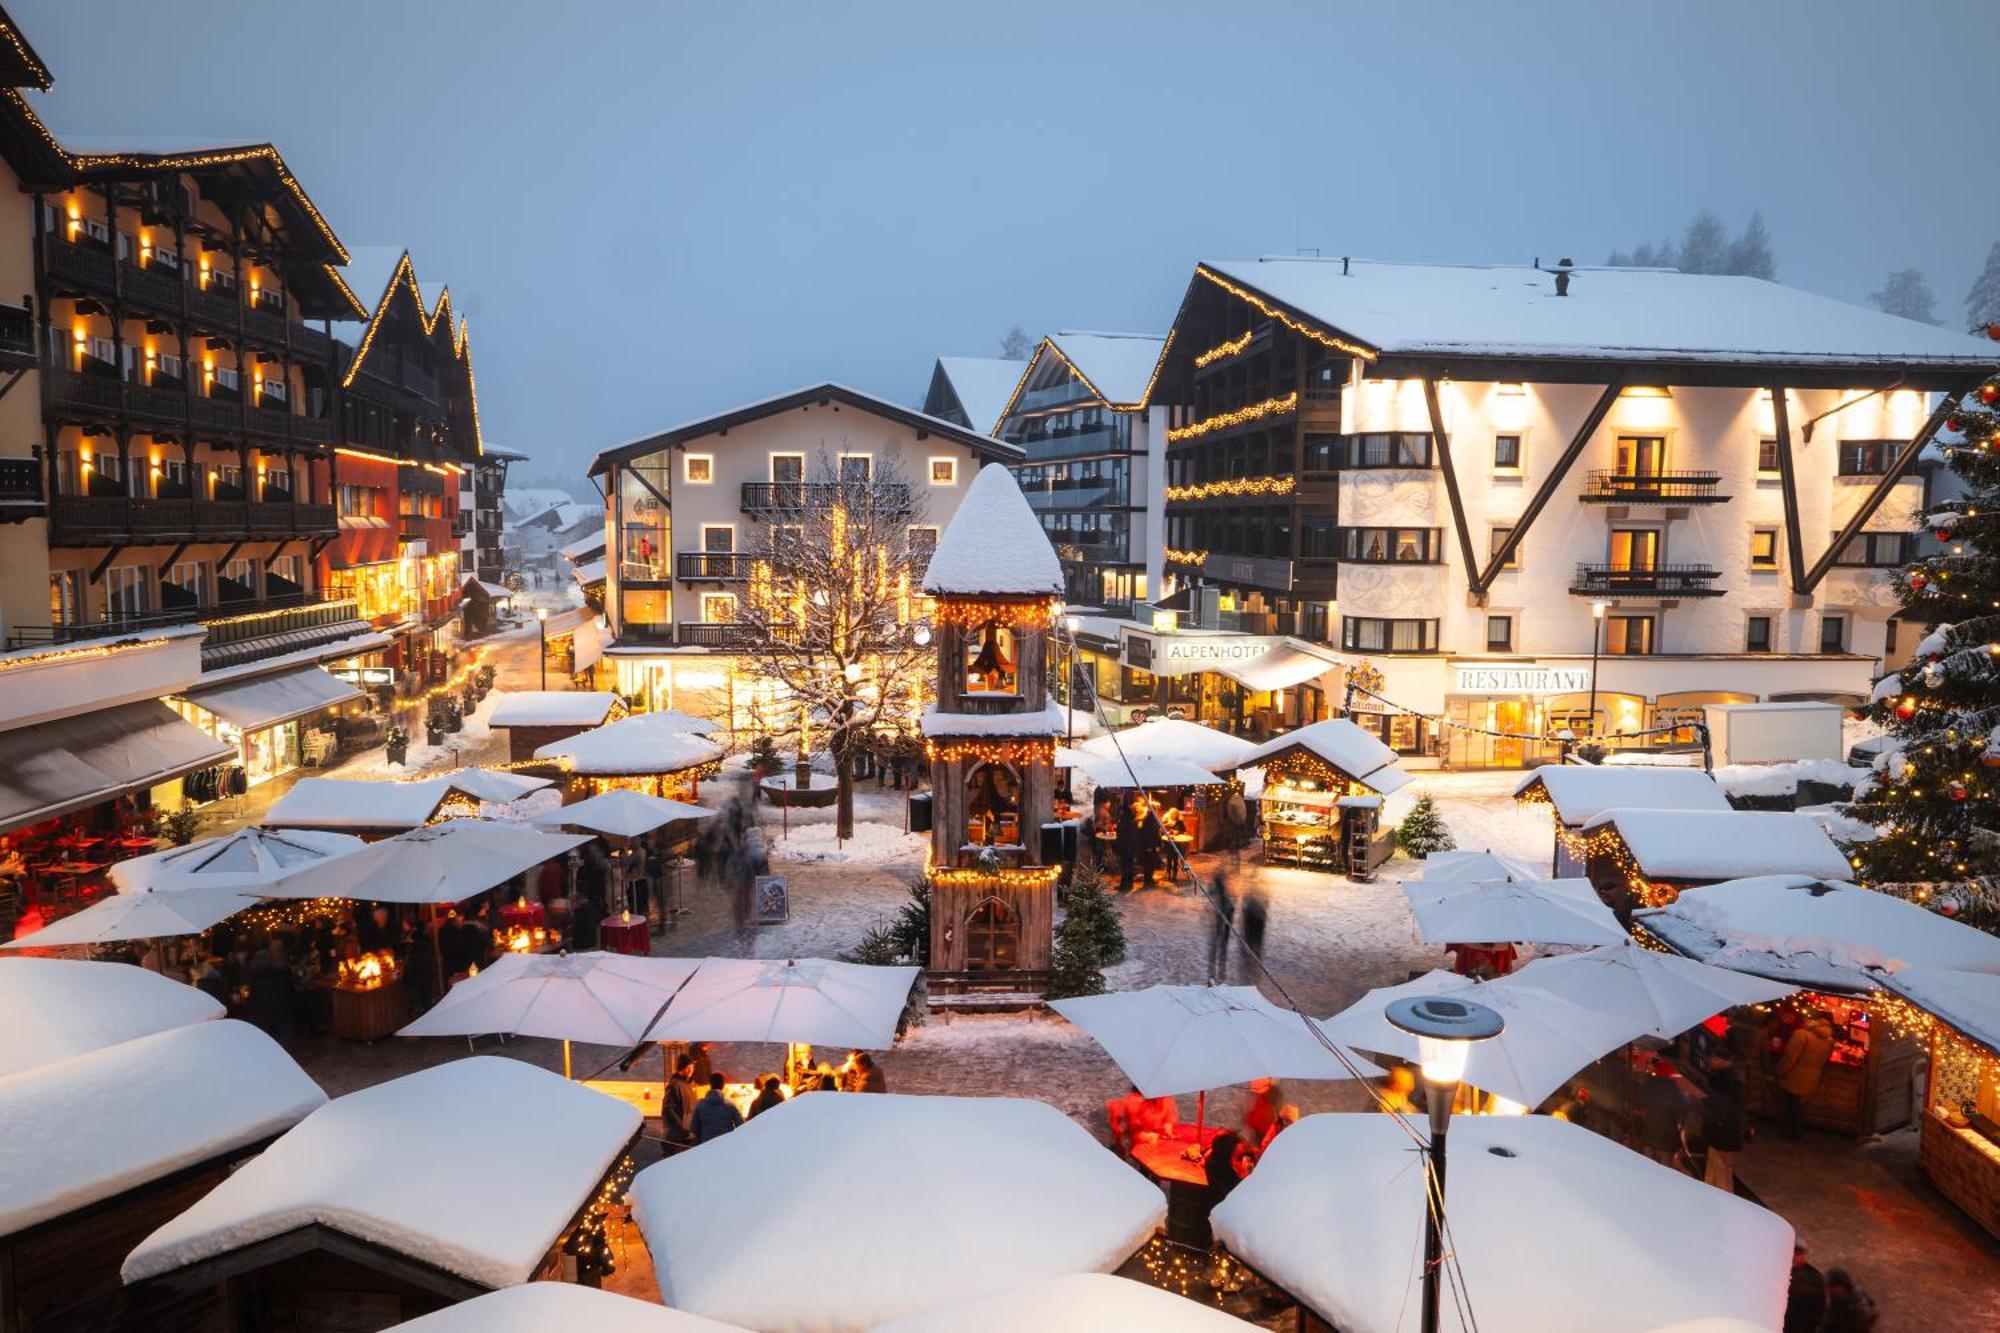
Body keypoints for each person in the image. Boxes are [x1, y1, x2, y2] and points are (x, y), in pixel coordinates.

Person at [1775, 1008, 1837, 1140]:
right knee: (1797, 1105)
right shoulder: (1829, 1040)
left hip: (1794, 1075)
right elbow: (1826, 1060)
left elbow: (1790, 1058)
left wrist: (1779, 1071)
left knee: (1790, 1104)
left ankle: (1792, 1132)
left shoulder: (1802, 1035)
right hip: (1812, 1077)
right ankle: (1797, 1131)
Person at [1699, 1048, 1747, 1194]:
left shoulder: (1726, 1081)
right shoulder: (1727, 1077)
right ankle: (1712, 1188)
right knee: (1717, 1161)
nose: (1710, 1061)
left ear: (1721, 1061)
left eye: (1713, 1058)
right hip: (1724, 1127)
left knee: (1720, 1164)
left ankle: (1721, 1193)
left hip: (1722, 1128)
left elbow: (1719, 1104)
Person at [1783, 1242, 1826, 1333]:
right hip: (1784, 1324)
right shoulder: (1781, 1273)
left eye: (1799, 1254)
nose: (1797, 1258)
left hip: (1805, 1325)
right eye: (1794, 1254)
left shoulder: (1815, 1277)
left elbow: (1820, 1305)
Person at [1820, 1267, 1877, 1332]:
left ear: (1841, 1286)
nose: (1826, 1290)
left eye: (1829, 1286)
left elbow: (1871, 1313)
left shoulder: (1856, 1302)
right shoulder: (1836, 1298)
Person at [692, 1073, 744, 1143]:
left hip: (707, 1144)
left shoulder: (700, 1106)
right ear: (723, 1086)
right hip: (727, 1144)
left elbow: (694, 1128)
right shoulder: (731, 1106)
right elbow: (742, 1126)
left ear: (710, 1085)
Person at [662, 1056, 698, 1155]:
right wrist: (681, 1127)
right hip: (677, 1135)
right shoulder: (674, 1085)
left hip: (687, 1131)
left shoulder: (690, 1083)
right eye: (689, 1067)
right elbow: (668, 1108)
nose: (691, 1070)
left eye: (692, 1067)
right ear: (682, 1068)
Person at [1244, 1078, 1285, 1147]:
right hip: (1274, 1130)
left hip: (1263, 1133)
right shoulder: (1276, 1099)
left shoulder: (1261, 1104)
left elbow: (1252, 1121)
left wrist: (1247, 1118)